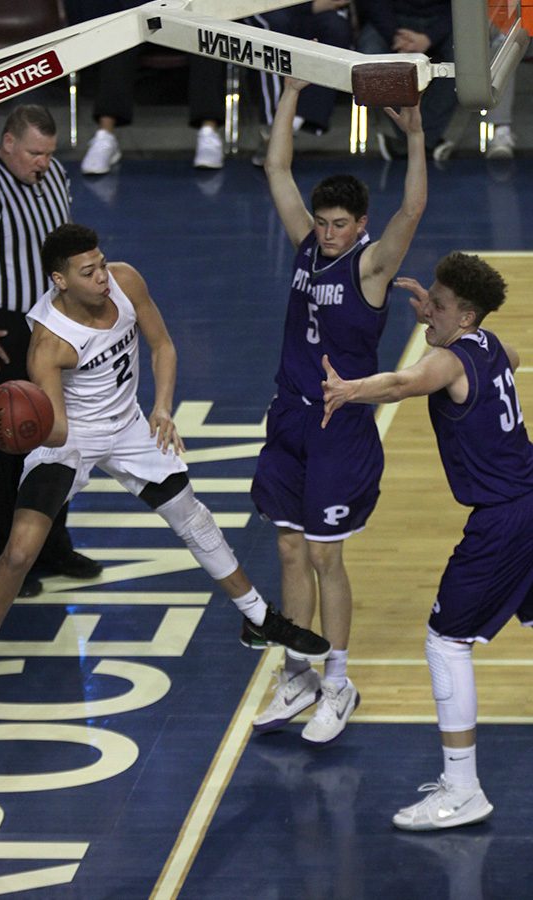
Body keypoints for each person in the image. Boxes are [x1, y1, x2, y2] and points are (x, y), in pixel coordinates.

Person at [0, 223, 331, 728]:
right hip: (74, 438)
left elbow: (163, 345)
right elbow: (56, 431)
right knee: (19, 551)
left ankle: (260, 618)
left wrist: (164, 409)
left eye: (102, 263)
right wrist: (12, 431)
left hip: (128, 425)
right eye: (89, 272)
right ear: (59, 281)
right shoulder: (48, 343)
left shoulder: (126, 281)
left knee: (193, 518)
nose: (102, 276)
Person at [321, 251, 533, 829]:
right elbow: (508, 357)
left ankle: (462, 788)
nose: (426, 312)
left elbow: (403, 382)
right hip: (529, 501)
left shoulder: (451, 359)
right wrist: (439, 322)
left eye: (436, 306)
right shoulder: (488, 345)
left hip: (504, 521)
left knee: (445, 641)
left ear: (466, 317)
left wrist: (350, 389)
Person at [247, 76, 426, 744]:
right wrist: (292, 84)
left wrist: (414, 139)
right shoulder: (305, 244)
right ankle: (296, 670)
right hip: (288, 416)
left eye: (337, 225)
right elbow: (277, 166)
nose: (325, 233)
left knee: (326, 556)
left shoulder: (371, 267)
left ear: (359, 227)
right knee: (289, 546)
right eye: (321, 223)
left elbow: (412, 211)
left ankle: (339, 681)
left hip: (339, 425)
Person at [0, 105, 101, 598]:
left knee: (53, 439)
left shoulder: (54, 177)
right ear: (8, 143)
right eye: (33, 153)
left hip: (48, 326)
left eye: (48, 153)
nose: (42, 163)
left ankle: (51, 547)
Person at [65, 0, 228, 173]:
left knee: (208, 38)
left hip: (190, 17)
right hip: (139, 17)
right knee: (116, 37)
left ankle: (208, 132)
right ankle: (105, 135)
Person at [245, 1, 355, 166]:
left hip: (314, 9)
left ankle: (293, 123)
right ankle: (274, 128)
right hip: (264, 7)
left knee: (336, 27)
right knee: (273, 26)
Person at [355, 0, 457, 160]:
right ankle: (418, 141)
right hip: (389, 18)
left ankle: (418, 138)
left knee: (465, 60)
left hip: (445, 19)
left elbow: (467, 7)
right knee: (370, 60)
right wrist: (396, 36)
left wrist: (430, 37)